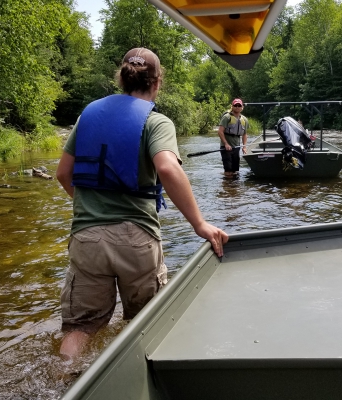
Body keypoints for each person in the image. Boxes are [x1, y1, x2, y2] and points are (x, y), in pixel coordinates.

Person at [56, 47, 228, 360]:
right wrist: (200, 225)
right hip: (137, 239)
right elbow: (167, 167)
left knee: (79, 328)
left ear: (121, 77)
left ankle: (63, 384)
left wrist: (90, 210)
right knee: (146, 324)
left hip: (87, 239)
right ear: (157, 82)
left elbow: (63, 173)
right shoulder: (156, 122)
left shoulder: (87, 116)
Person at [217, 98, 249, 178]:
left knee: (235, 171)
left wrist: (244, 146)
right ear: (232, 106)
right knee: (228, 171)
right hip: (226, 147)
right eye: (235, 105)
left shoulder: (244, 119)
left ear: (242, 107)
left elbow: (244, 134)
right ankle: (227, 187)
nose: (237, 107)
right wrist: (226, 144)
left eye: (239, 105)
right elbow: (220, 132)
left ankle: (234, 189)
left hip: (236, 146)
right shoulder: (227, 117)